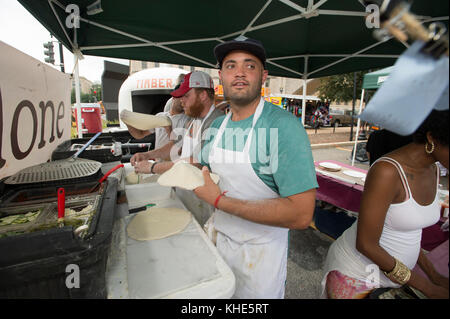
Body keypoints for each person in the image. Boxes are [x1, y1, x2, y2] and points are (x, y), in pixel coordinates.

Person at [193, 36, 318, 299]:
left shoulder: (284, 127)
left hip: (260, 261)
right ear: (220, 77)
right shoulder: (217, 127)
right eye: (231, 65)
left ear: (264, 76)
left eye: (250, 65)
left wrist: (218, 200)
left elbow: (300, 214)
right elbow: (199, 167)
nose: (239, 72)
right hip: (219, 245)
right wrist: (159, 167)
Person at [320, 109, 449, 299]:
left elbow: (410, 235)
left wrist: (435, 277)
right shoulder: (387, 172)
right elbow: (366, 244)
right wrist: (428, 288)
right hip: (357, 277)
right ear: (432, 138)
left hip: (394, 279)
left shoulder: (433, 170)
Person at [132, 71, 223, 174]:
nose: (181, 101)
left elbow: (196, 163)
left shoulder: (216, 122)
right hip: (184, 187)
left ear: (203, 95)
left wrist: (153, 167)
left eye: (186, 96)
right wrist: (147, 155)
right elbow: (175, 147)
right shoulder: (193, 120)